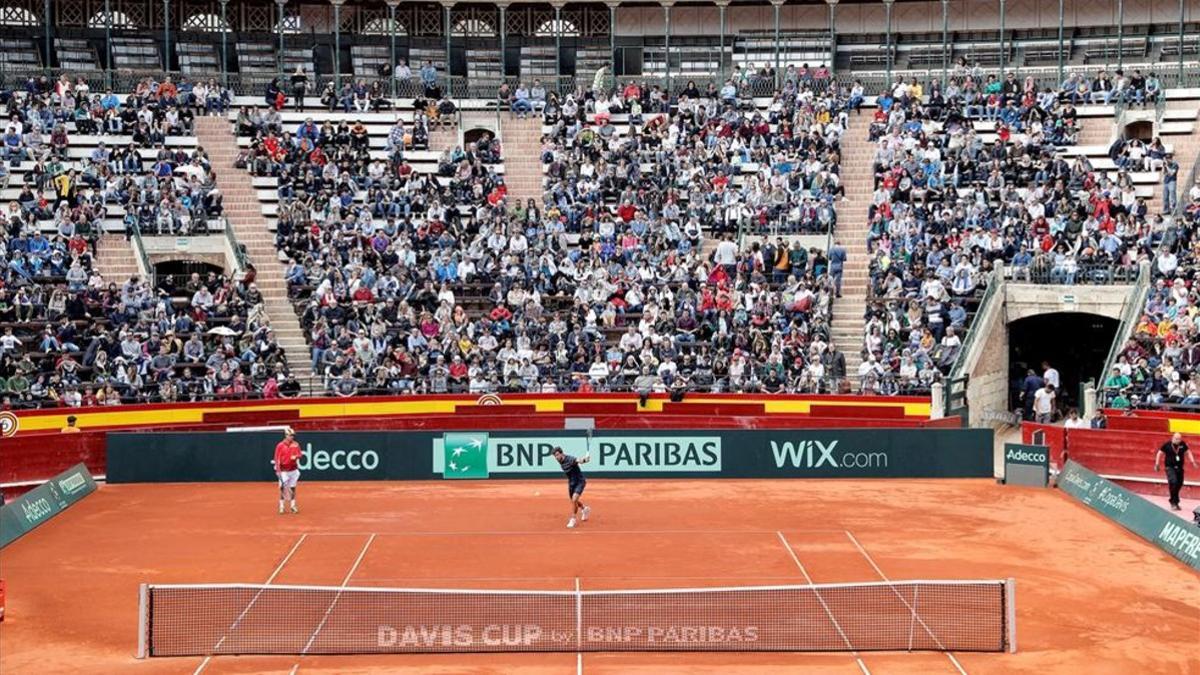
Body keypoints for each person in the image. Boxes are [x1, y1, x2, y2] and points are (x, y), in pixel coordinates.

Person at [1155, 433, 1198, 511]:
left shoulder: (1182, 444)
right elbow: (1159, 453)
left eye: (1179, 439)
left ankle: (1175, 501)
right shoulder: (1167, 445)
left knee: (1179, 483)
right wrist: (1157, 464)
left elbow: (1188, 452)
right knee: (1174, 482)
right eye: (1176, 439)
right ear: (1173, 438)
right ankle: (1173, 502)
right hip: (1170, 467)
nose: (1178, 441)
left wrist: (1193, 462)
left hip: (1180, 468)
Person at [551, 446, 591, 528]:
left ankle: (573, 519)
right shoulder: (560, 460)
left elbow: (578, 460)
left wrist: (584, 460)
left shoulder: (570, 459)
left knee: (574, 499)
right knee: (574, 501)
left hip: (580, 481)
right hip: (571, 483)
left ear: (562, 453)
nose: (556, 457)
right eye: (555, 456)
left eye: (557, 455)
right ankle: (584, 509)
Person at [273, 427, 303, 514]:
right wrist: (278, 471)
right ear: (286, 436)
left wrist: (296, 456)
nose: (292, 437)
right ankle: (281, 506)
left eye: (293, 435)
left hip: (293, 470)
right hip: (283, 471)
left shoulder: (296, 444)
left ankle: (293, 506)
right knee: (283, 489)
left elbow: (300, 454)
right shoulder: (280, 446)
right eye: (290, 435)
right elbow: (276, 458)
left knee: (293, 488)